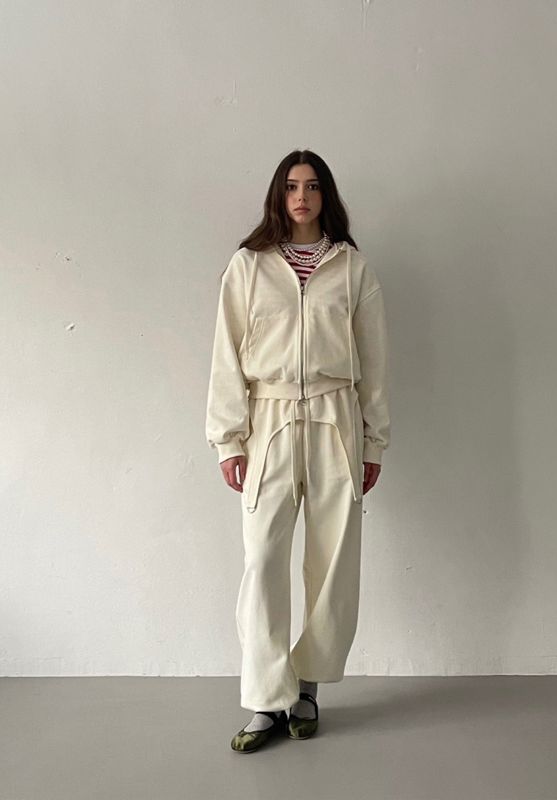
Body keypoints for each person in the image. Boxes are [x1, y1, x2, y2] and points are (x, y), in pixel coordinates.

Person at [205, 149, 390, 753]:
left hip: (337, 421)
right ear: (278, 196)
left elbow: (375, 364)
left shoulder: (353, 269)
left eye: (311, 186)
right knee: (263, 560)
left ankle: (307, 687)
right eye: (291, 186)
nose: (301, 197)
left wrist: (373, 439)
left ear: (325, 194)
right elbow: (226, 356)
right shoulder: (249, 265)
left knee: (332, 563)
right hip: (271, 421)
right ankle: (266, 698)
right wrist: (229, 438)